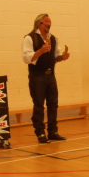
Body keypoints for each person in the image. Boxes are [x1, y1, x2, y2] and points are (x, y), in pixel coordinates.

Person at [22, 13, 71, 143]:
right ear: (39, 24)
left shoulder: (53, 38)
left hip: (51, 76)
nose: (49, 24)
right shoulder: (30, 38)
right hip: (37, 76)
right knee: (39, 105)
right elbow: (27, 59)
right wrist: (41, 51)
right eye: (46, 22)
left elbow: (55, 57)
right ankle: (40, 132)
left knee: (53, 104)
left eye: (50, 22)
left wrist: (62, 57)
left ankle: (53, 131)